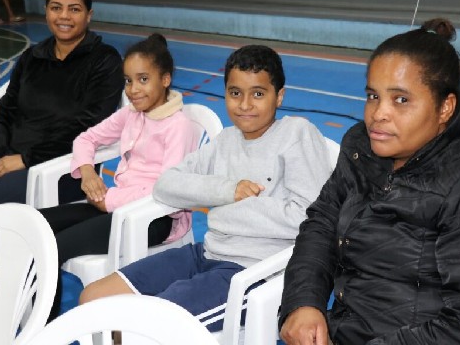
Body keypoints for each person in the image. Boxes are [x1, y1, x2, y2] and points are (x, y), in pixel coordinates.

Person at [278, 18, 460, 345]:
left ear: (445, 108)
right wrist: (303, 302)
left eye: (401, 100)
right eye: (373, 96)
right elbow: (324, 221)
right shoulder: (361, 147)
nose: (378, 114)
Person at [78, 44, 333, 331]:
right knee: (93, 300)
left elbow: (310, 218)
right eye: (235, 93)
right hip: (206, 253)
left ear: (279, 96)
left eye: (258, 94)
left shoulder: (297, 133)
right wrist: (227, 191)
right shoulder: (226, 140)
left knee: (143, 328)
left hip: (252, 272)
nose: (245, 104)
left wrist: (224, 212)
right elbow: (165, 184)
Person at [0, 0, 124, 318]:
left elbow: (88, 127)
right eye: (56, 7)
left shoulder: (104, 62)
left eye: (74, 9)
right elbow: (4, 115)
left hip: (63, 169)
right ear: (45, 11)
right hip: (7, 160)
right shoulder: (33, 57)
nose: (64, 16)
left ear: (89, 14)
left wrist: (28, 159)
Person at [39, 33, 199, 319]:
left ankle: (42, 325)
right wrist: (88, 172)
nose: (133, 90)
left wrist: (110, 200)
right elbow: (86, 139)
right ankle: (31, 317)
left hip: (154, 218)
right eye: (128, 81)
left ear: (165, 79)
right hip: (116, 206)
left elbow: (169, 190)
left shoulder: (179, 127)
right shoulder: (131, 114)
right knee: (39, 225)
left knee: (56, 246)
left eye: (143, 79)